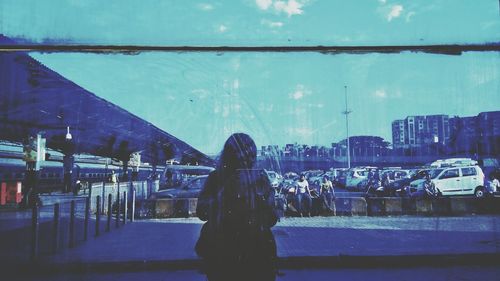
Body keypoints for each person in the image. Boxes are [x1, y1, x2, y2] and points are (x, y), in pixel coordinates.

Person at [195, 133, 278, 281]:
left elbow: (202, 212)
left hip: (223, 250)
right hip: (256, 250)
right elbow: (271, 218)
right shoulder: (259, 179)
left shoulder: (217, 178)